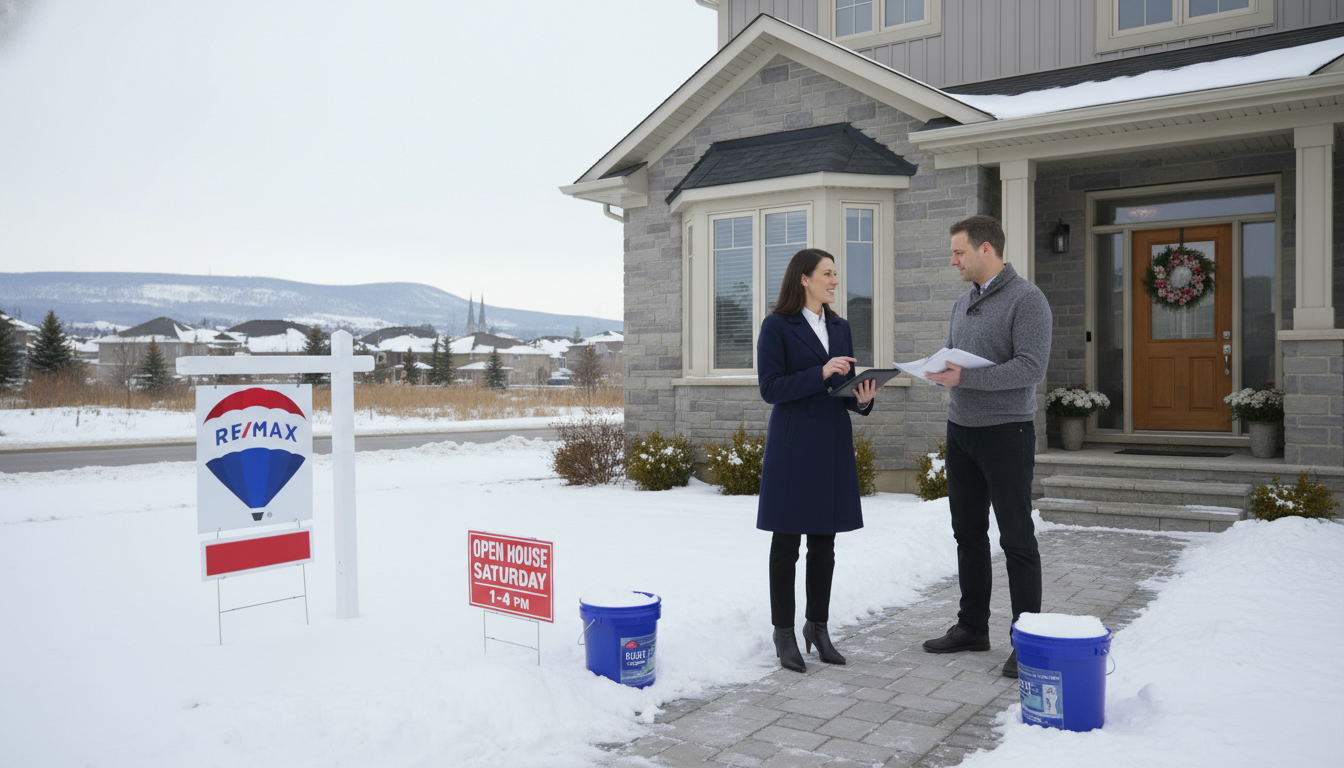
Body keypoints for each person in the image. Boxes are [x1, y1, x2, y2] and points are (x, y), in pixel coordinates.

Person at [922, 215, 1052, 679]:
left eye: (959, 252)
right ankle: (973, 627)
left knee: (1016, 538)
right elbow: (955, 355)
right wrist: (937, 368)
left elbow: (1031, 368)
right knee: (968, 533)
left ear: (986, 250)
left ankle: (1028, 640)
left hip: (1006, 433)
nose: (953, 260)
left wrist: (967, 378)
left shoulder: (1028, 299)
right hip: (961, 430)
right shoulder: (963, 303)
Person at [756, 248, 880, 673]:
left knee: (824, 543)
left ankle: (818, 627)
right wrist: (822, 373)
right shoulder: (777, 327)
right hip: (793, 445)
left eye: (835, 274)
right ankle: (783, 632)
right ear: (804, 279)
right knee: (786, 542)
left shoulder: (840, 327)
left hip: (831, 442)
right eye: (827, 274)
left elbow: (842, 391)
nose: (834, 280)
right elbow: (771, 388)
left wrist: (861, 399)